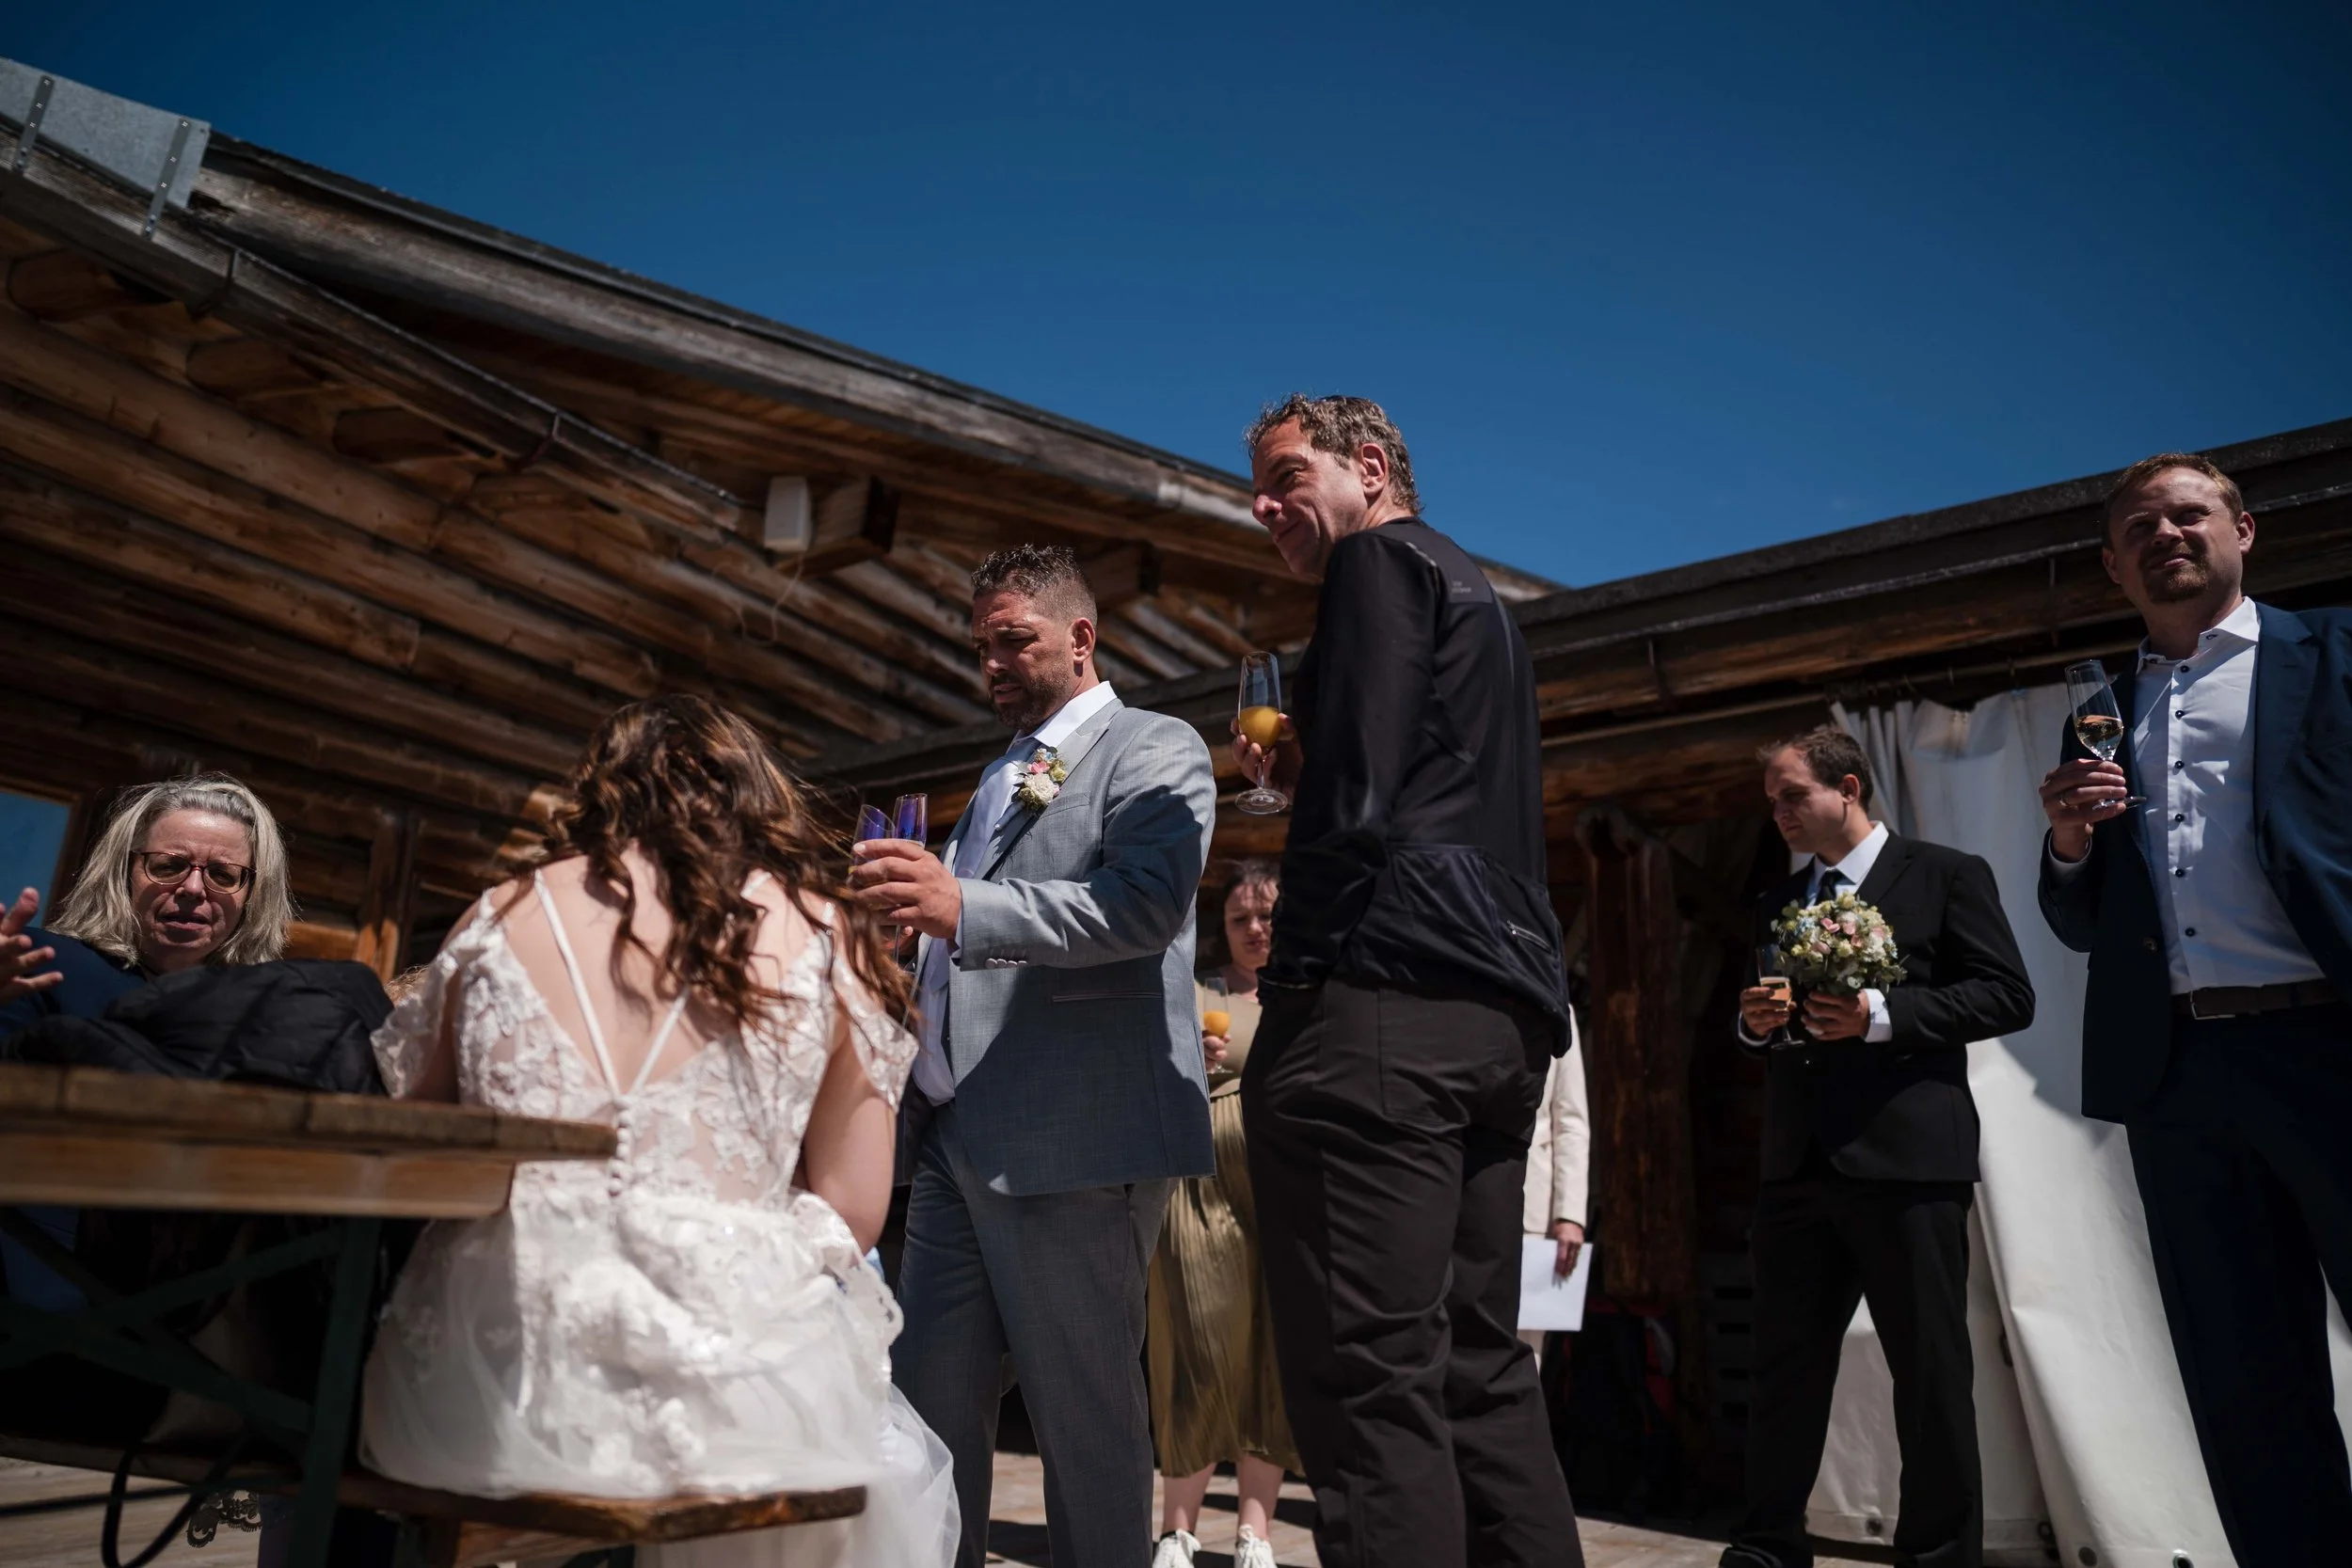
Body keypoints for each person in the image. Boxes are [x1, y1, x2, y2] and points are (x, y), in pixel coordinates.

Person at [359, 694, 958, 1568]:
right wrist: (726, 1254)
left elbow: (421, 1151)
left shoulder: (500, 916)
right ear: (759, 799)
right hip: (736, 1383)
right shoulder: (827, 938)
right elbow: (851, 1209)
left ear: (601, 790)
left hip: (490, 1377)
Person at [1232, 395, 1581, 1568]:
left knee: (1364, 1371)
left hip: (1378, 1009)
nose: (1262, 505)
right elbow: (1425, 781)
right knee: (1478, 1365)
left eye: (1286, 475)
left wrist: (1291, 992)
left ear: (1369, 469)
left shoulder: (1377, 564)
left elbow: (1357, 807)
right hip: (1498, 1013)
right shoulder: (1477, 596)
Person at [850, 544, 1217, 1568]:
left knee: (1082, 1413)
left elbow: (1141, 906)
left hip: (1074, 1135)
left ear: (1080, 636)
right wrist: (909, 937)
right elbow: (969, 935)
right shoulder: (1002, 772)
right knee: (925, 1409)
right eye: (980, 648)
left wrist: (958, 903)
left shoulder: (1157, 746)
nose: (992, 665)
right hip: (956, 1136)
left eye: (1012, 640)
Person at [2037, 452, 2352, 1560]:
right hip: (2177, 1073)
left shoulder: (2338, 652)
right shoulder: (2100, 707)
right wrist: (2069, 839)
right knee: (2244, 1380)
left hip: (2329, 1043)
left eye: (2188, 513)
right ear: (2112, 562)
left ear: (2243, 530)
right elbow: (2083, 920)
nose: (2165, 534)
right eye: (2138, 526)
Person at [1725, 727, 2034, 1568]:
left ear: (1849, 786)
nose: (1780, 812)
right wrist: (1755, 1027)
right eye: (1772, 800)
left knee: (1930, 1376)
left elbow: (2008, 993)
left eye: (1793, 795)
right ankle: (1766, 1549)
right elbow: (1770, 1019)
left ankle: (1939, 1558)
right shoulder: (1776, 902)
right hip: (1796, 1168)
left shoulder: (1944, 875)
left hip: (1908, 1162)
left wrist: (1883, 1015)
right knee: (1782, 1374)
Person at [1149, 859, 1300, 1568]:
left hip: (1283, 1193)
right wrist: (1192, 1061)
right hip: (1201, 1192)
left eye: (1265, 915)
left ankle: (1254, 1531)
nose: (1254, 928)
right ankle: (1177, 1528)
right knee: (1197, 1348)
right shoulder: (1197, 989)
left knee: (1272, 1350)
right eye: (1240, 917)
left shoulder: (1304, 992)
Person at [0, 772, 294, 1035]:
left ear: (253, 895)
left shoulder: (264, 1014)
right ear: (123, 873)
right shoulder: (38, 963)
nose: (193, 888)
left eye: (222, 875)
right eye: (168, 866)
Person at [1519, 1013, 1590, 1366]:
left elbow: (1571, 1120)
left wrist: (1569, 1215)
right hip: (1456, 1201)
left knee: (1524, 1357)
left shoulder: (1559, 1003)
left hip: (1534, 1217)